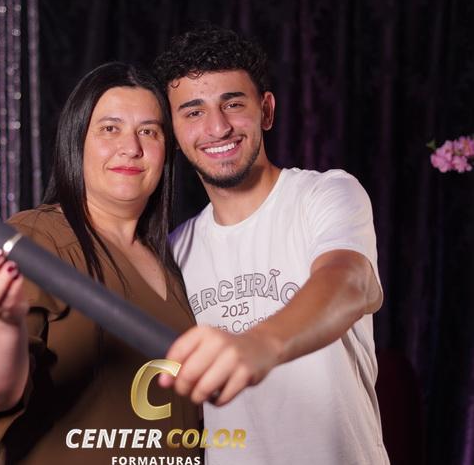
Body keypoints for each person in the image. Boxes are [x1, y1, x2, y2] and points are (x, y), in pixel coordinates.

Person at [0, 62, 201, 464]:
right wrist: (2, 320)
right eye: (110, 128)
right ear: (75, 141)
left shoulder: (173, 258)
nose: (131, 147)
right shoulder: (36, 239)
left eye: (149, 131)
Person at [153, 26, 390, 464]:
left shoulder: (325, 194)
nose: (217, 127)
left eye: (233, 104)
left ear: (266, 110)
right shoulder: (173, 252)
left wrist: (259, 344)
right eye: (193, 112)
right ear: (174, 131)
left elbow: (350, 281)